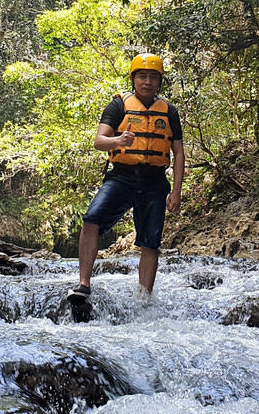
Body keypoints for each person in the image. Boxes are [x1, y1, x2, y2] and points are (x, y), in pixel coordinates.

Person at [68, 54, 185, 307]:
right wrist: (118, 141)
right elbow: (99, 141)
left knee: (151, 241)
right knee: (91, 220)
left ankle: (144, 298)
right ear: (133, 79)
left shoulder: (170, 112)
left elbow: (178, 152)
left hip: (154, 181)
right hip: (121, 177)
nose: (147, 82)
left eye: (153, 77)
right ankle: (83, 284)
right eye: (142, 76)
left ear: (159, 82)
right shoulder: (118, 105)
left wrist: (176, 191)